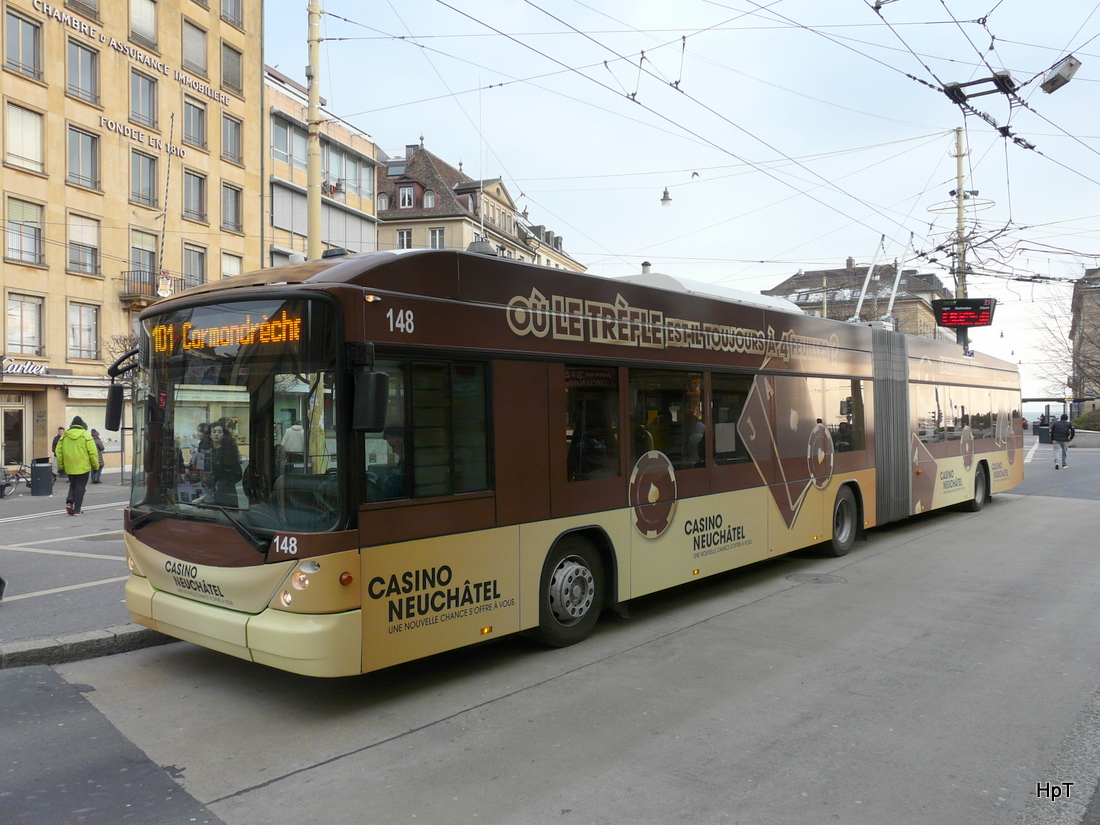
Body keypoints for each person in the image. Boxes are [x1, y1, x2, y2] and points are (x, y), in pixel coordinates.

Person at [55, 416, 99, 515]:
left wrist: (61, 465)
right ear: (81, 425)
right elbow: (93, 453)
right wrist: (95, 466)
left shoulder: (64, 436)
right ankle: (77, 509)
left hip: (70, 466)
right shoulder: (86, 436)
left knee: (73, 485)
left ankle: (69, 502)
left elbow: (59, 452)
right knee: (80, 487)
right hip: (83, 466)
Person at [205, 419, 242, 505]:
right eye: (214, 431)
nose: (216, 434)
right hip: (209, 492)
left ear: (223, 435)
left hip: (226, 494)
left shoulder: (229, 452)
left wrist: (223, 484)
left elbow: (238, 474)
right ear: (210, 435)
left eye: (219, 432)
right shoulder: (206, 451)